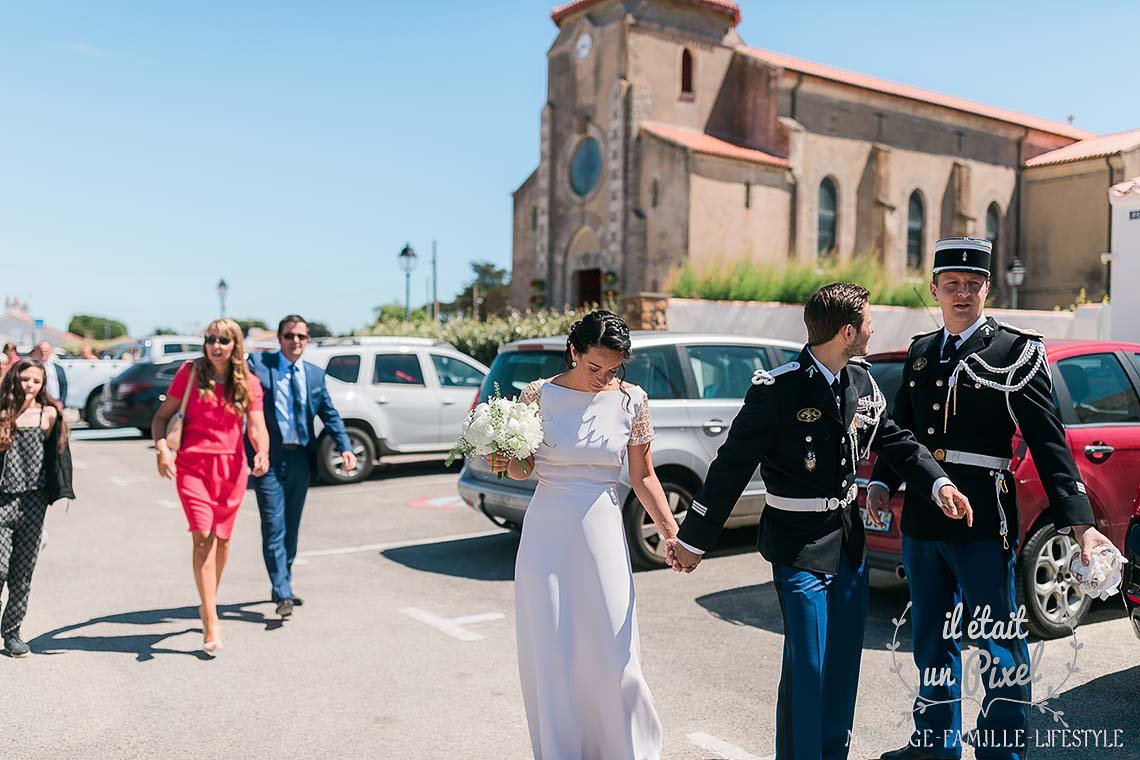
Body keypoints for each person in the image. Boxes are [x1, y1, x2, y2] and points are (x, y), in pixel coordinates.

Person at [668, 283, 970, 760]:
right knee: (808, 667)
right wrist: (693, 540)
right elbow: (730, 468)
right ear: (847, 332)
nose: (873, 328)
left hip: (848, 542)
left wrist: (938, 484)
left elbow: (896, 441)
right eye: (868, 321)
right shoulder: (777, 390)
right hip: (797, 545)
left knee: (842, 666)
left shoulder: (862, 383)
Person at [868, 238, 1119, 760]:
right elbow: (902, 431)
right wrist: (883, 482)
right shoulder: (920, 352)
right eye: (951, 285)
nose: (962, 293)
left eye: (972, 284)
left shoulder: (1015, 353)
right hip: (923, 519)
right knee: (931, 639)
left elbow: (1049, 443)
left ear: (988, 288)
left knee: (997, 641)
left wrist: (1081, 523)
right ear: (934, 290)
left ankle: (1001, 748)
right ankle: (935, 743)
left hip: (983, 518)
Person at [489, 309, 680, 760]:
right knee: (553, 648)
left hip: (602, 530)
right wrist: (504, 458)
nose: (603, 378)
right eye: (595, 367)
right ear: (574, 351)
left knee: (614, 647)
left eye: (613, 370)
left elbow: (644, 476)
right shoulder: (538, 395)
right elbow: (522, 469)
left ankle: (625, 749)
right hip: (547, 532)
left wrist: (673, 534)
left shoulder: (633, 401)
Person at [152, 319, 269, 655]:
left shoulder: (248, 382)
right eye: (210, 339)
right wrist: (162, 451)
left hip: (232, 470)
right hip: (193, 467)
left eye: (223, 340)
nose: (215, 346)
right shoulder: (189, 373)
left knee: (223, 540)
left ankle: (208, 600)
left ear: (235, 346)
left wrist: (262, 452)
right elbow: (162, 417)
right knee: (203, 536)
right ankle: (211, 617)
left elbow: (257, 427)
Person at [247, 315, 356, 619]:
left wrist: (345, 447)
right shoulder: (259, 365)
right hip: (269, 458)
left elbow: (330, 414)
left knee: (291, 527)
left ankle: (283, 581)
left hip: (300, 460)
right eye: (289, 336)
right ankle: (282, 590)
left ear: (307, 340)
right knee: (273, 524)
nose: (295, 341)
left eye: (301, 337)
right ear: (279, 338)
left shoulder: (315, 376)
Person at [0, 360, 75, 658]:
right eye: (25, 379)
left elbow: (57, 456)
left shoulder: (48, 415)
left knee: (22, 573)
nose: (30, 386)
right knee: (0, 568)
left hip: (33, 502)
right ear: (14, 380)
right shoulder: (3, 413)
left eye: (36, 381)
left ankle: (12, 632)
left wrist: (60, 490)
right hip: (3, 500)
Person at [29, 342, 66, 410]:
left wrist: (61, 402)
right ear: (37, 351)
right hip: (39, 403)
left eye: (46, 351)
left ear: (50, 352)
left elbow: (64, 386)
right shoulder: (32, 368)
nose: (43, 353)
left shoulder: (58, 368)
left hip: (56, 402)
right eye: (41, 351)